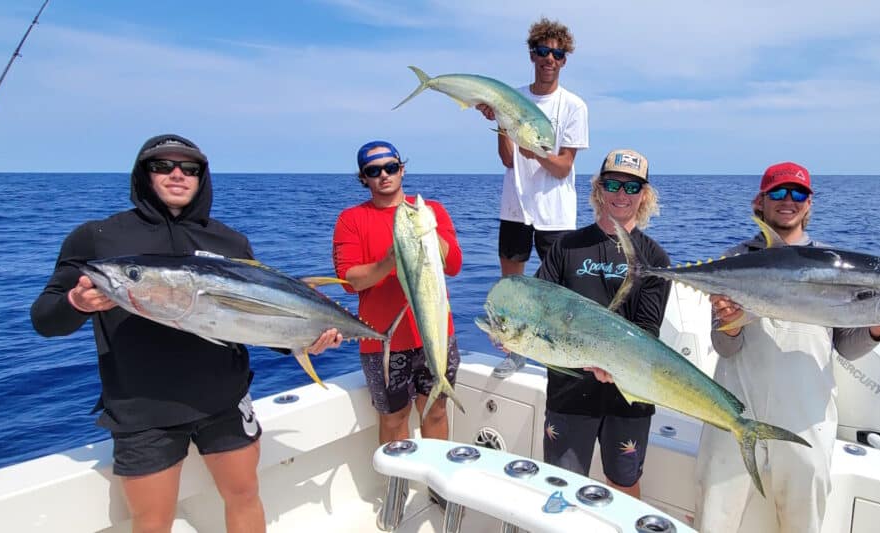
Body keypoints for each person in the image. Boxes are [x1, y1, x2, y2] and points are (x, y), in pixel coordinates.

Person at [30, 133, 343, 533]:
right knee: (152, 521)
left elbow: (251, 320)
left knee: (245, 497)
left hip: (226, 399)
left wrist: (306, 340)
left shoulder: (229, 240)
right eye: (162, 165)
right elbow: (44, 319)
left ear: (202, 176)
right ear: (143, 174)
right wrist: (75, 303)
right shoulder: (99, 239)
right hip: (142, 410)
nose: (177, 174)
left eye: (189, 167)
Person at [694, 162, 880, 533]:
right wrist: (728, 322)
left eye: (798, 193)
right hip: (736, 403)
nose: (789, 201)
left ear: (809, 203)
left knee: (803, 519)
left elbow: (847, 349)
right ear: (761, 201)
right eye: (779, 193)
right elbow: (724, 347)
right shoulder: (734, 260)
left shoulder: (838, 266)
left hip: (807, 412)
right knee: (715, 513)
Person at [532, 149, 670, 498]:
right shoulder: (566, 246)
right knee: (560, 486)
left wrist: (613, 363)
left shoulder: (654, 258)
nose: (621, 195)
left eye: (632, 187)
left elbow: (648, 329)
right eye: (612, 184)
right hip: (569, 390)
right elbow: (537, 306)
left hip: (629, 392)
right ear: (598, 190)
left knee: (624, 485)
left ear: (644, 195)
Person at [477, 17, 590, 378]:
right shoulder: (512, 98)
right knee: (512, 287)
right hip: (515, 209)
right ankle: (514, 352)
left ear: (564, 60)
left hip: (556, 215)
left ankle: (561, 358)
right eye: (543, 51)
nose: (549, 59)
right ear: (532, 54)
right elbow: (508, 159)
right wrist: (500, 125)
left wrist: (536, 152)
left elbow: (562, 167)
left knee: (559, 291)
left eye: (557, 53)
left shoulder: (574, 107)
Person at [332, 140, 463, 446]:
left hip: (436, 334)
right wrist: (391, 259)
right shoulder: (350, 220)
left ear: (402, 169)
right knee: (393, 419)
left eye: (391, 167)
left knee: (437, 412)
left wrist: (427, 233)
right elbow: (349, 281)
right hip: (383, 342)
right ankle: (397, 491)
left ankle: (437, 489)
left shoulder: (431, 211)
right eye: (373, 171)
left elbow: (454, 265)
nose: (384, 175)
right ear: (363, 178)